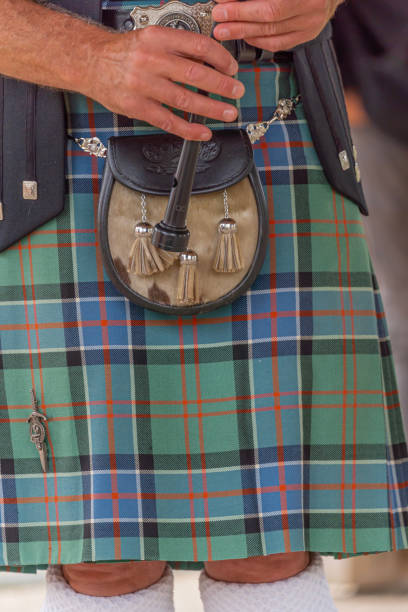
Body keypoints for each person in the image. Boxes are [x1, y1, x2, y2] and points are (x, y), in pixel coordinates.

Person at [0, 1, 407, 611]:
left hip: (277, 111)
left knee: (273, 544)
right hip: (61, 136)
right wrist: (90, 56)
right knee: (103, 557)